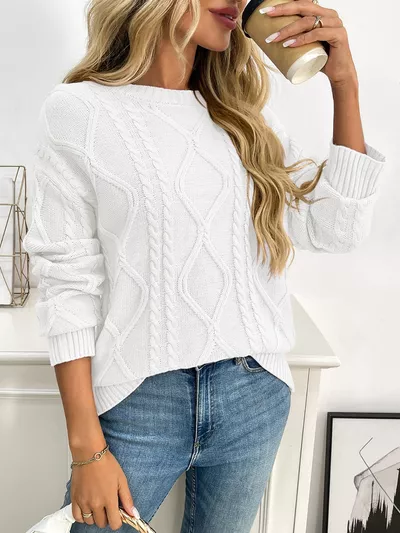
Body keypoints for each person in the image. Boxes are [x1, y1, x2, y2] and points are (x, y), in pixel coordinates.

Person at [22, 0, 386, 531]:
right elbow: (67, 282)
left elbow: (335, 230)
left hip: (254, 394)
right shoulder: (79, 111)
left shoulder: (246, 115)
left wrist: (344, 83)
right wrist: (86, 450)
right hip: (140, 399)